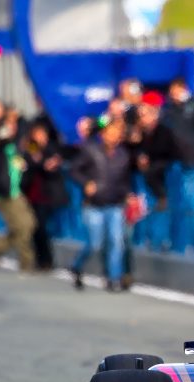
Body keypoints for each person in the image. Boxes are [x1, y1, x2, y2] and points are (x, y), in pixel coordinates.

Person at [70, 119, 131, 292]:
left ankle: (113, 278)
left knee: (117, 242)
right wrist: (86, 183)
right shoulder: (90, 151)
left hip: (115, 204)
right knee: (95, 243)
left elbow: (125, 180)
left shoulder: (123, 155)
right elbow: (74, 170)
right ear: (103, 134)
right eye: (110, 133)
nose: (113, 137)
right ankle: (77, 264)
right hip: (94, 204)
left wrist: (128, 195)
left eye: (116, 134)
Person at [0, 101, 36, 272]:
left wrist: (16, 117)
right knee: (24, 226)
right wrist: (3, 124)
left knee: (28, 225)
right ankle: (26, 263)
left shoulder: (14, 146)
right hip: (3, 191)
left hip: (15, 190)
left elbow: (25, 129)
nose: (11, 128)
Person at [21, 122, 68, 271]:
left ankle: (46, 259)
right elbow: (32, 162)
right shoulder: (32, 148)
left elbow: (53, 163)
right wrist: (41, 163)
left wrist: (44, 163)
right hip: (32, 193)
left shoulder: (51, 148)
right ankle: (38, 258)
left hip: (46, 195)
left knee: (41, 227)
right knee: (34, 228)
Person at [135, 103, 178, 209]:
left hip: (167, 162)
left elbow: (164, 149)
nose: (141, 119)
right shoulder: (141, 132)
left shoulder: (164, 130)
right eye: (139, 116)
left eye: (144, 115)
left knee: (152, 171)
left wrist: (147, 157)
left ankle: (162, 197)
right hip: (150, 165)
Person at [161, 77, 194, 161]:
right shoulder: (169, 109)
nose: (175, 95)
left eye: (177, 91)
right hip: (177, 154)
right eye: (173, 92)